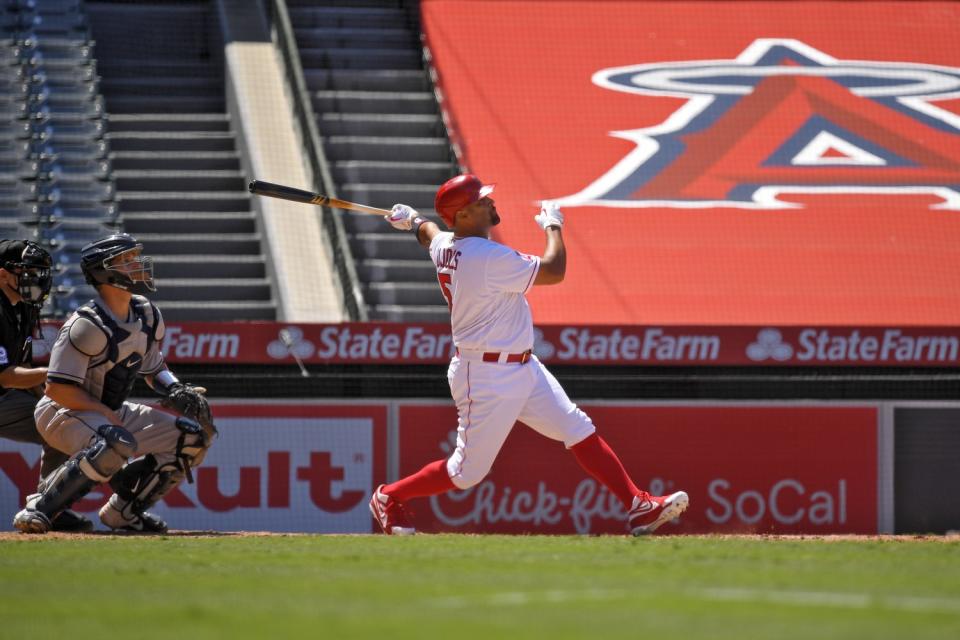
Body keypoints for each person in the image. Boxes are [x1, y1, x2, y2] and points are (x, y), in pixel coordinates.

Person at [370, 174, 689, 536]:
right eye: (480, 202)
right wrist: (553, 225)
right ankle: (388, 496)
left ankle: (639, 506)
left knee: (577, 428)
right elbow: (554, 271)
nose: (490, 203)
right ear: (461, 216)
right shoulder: (485, 256)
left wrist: (412, 219)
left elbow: (428, 232)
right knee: (465, 473)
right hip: (485, 374)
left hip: (521, 365)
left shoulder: (446, 243)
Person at [13, 233, 216, 534]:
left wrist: (175, 388)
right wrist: (104, 414)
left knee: (192, 439)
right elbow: (57, 389)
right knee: (114, 441)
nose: (137, 264)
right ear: (105, 271)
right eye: (126, 260)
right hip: (60, 412)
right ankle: (39, 508)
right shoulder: (87, 324)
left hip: (108, 413)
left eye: (134, 258)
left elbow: (154, 366)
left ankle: (123, 513)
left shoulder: (146, 312)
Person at [0, 239, 92, 532]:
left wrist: (53, 396)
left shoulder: (22, 308)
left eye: (39, 273)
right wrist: (58, 371)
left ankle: (49, 507)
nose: (37, 280)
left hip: (5, 397)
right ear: (3, 275)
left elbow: (22, 369)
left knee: (61, 420)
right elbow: (6, 377)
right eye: (28, 272)